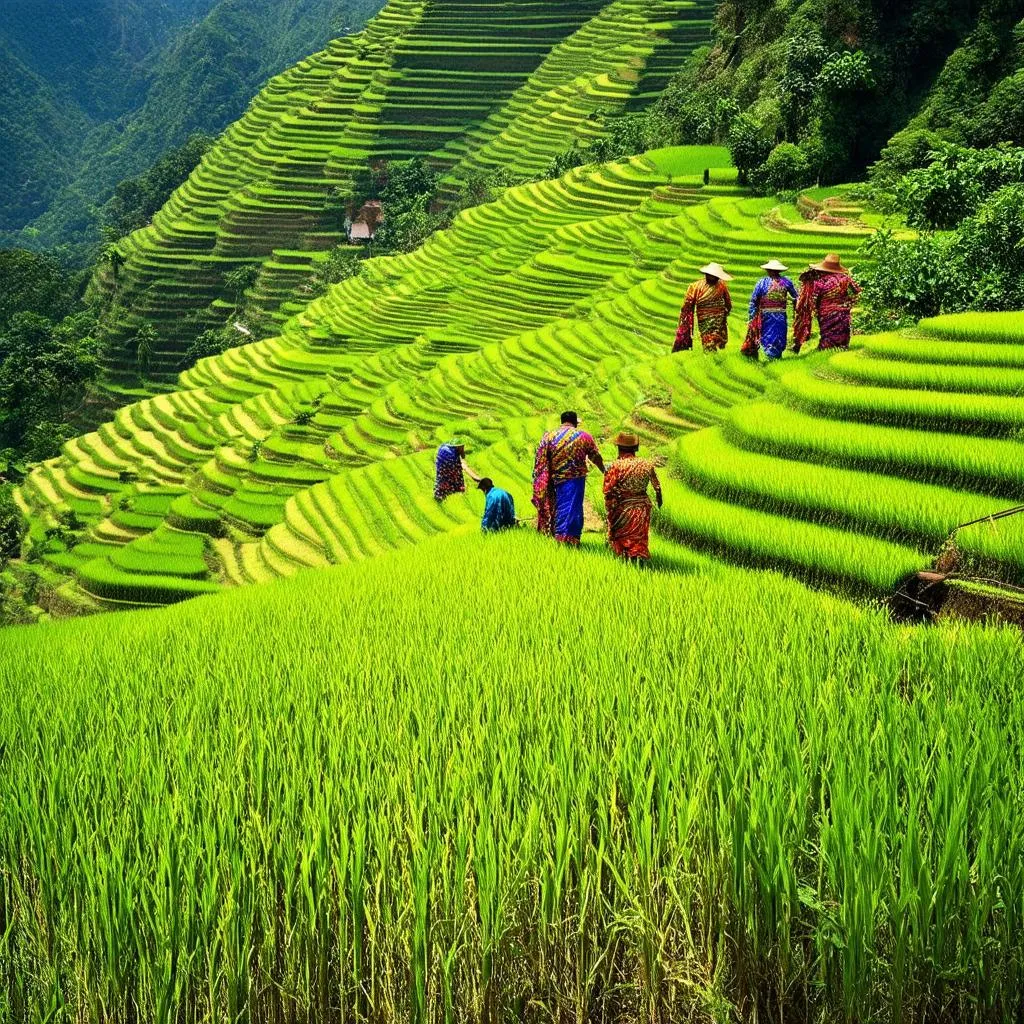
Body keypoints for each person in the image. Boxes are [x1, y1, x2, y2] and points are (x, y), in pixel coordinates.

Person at [532, 411, 605, 545]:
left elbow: (540, 462)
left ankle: (559, 538)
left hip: (554, 481)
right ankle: (567, 541)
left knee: (559, 508)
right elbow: (595, 457)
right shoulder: (584, 437)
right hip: (575, 480)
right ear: (575, 423)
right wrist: (604, 471)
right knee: (572, 510)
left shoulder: (548, 437)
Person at [603, 432, 662, 561]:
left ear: (619, 448)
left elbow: (608, 491)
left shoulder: (616, 466)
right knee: (639, 537)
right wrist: (659, 500)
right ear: (636, 448)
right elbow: (657, 487)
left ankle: (627, 561)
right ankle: (639, 559)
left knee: (623, 537)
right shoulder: (647, 464)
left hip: (623, 508)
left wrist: (610, 511)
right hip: (642, 507)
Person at [793, 253, 862, 352]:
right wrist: (851, 302)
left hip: (826, 311)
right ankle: (841, 347)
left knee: (827, 332)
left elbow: (814, 297)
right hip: (843, 311)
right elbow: (857, 291)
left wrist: (810, 307)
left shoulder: (821, 280)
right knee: (842, 331)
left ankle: (826, 348)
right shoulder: (845, 278)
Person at [742, 259, 799, 360]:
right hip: (774, 315)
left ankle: (773, 357)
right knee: (775, 334)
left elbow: (753, 300)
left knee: (773, 335)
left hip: (771, 315)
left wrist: (752, 316)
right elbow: (796, 297)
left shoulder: (763, 282)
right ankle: (773, 357)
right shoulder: (785, 281)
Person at [673, 262, 733, 353]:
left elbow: (728, 302)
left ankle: (713, 356)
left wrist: (726, 311)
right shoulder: (695, 287)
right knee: (708, 339)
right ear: (706, 274)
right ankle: (711, 357)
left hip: (719, 319)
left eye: (714, 275)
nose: (712, 277)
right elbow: (688, 304)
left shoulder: (722, 286)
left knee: (717, 339)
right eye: (711, 275)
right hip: (704, 319)